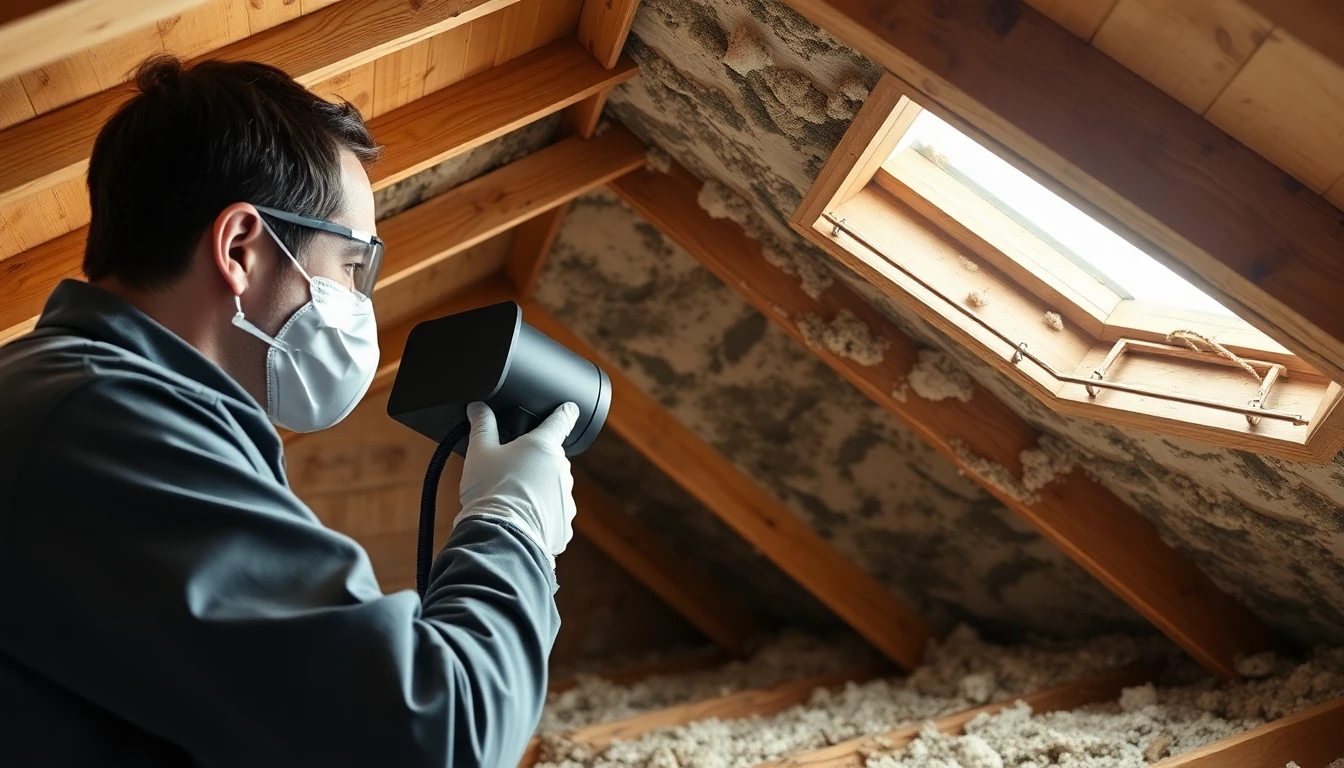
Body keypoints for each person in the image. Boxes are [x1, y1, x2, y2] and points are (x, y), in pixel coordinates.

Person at [0, 56, 577, 766]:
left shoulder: (72, 399)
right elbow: (438, 736)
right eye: (352, 266)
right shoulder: (103, 426)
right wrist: (511, 526)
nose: (361, 302)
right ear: (241, 247)